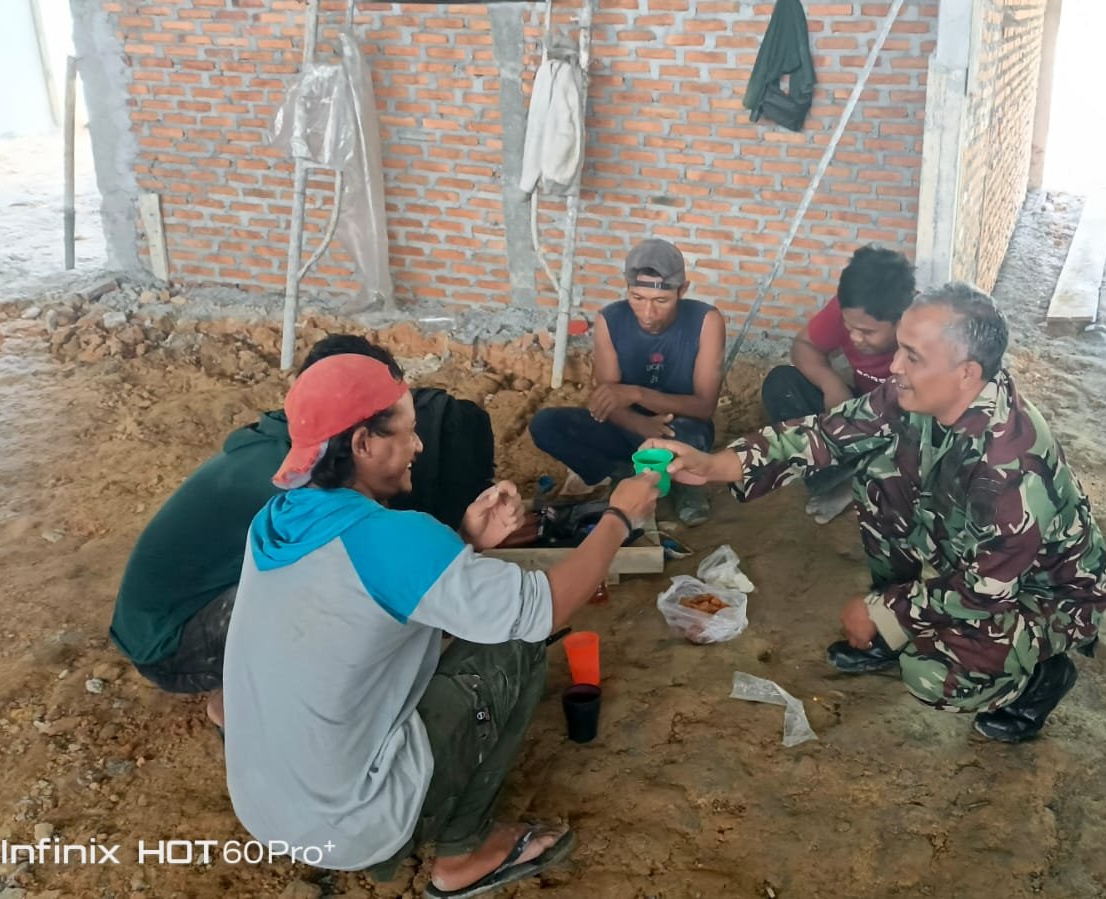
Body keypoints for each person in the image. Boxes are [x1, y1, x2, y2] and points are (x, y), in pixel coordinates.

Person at [221, 353, 661, 894]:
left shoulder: (276, 522)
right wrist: (619, 516)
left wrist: (464, 544)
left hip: (266, 807)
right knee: (515, 643)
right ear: (362, 443)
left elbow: (372, 600)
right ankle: (465, 851)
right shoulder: (392, 537)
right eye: (407, 432)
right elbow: (540, 609)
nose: (419, 446)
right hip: (355, 823)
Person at [644, 283, 1106, 743]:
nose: (894, 366)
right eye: (900, 349)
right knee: (880, 474)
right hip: (978, 561)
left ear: (967, 373)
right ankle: (898, 630)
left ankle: (1040, 681)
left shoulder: (1010, 469)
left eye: (913, 356)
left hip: (1044, 594)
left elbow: (983, 592)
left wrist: (885, 610)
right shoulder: (923, 393)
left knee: (935, 676)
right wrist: (715, 465)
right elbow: (827, 434)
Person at [107, 335, 496, 728]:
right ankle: (240, 704)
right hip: (168, 641)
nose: (417, 444)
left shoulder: (301, 444)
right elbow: (380, 576)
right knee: (342, 600)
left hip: (175, 611)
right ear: (359, 435)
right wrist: (463, 545)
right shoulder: (304, 485)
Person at [528, 238, 724, 526]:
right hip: (626, 427)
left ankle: (683, 486)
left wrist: (636, 394)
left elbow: (704, 406)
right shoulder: (610, 319)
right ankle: (619, 475)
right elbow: (607, 398)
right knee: (546, 425)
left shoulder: (706, 320)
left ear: (682, 290)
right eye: (637, 298)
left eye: (661, 301)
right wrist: (640, 424)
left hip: (678, 428)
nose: (647, 313)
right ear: (627, 288)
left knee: (690, 438)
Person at [761, 245, 916, 524]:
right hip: (860, 410)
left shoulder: (925, 332)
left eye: (867, 332)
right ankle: (833, 476)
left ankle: (859, 485)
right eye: (849, 326)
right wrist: (831, 384)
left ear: (901, 320)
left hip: (903, 423)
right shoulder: (853, 311)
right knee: (781, 384)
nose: (855, 337)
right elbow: (804, 345)